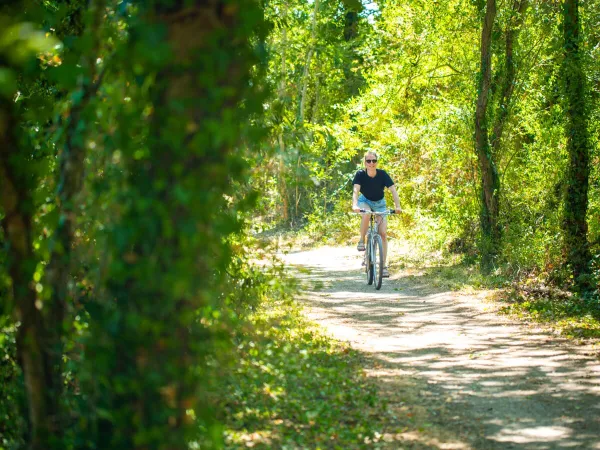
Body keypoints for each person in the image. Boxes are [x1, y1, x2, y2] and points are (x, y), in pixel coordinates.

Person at [352, 151, 401, 278]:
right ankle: (362, 240)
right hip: (365, 201)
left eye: (374, 161)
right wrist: (355, 204)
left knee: (383, 234)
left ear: (377, 162)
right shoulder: (360, 174)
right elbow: (356, 190)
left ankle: (384, 266)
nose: (371, 163)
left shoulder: (382, 174)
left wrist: (398, 206)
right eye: (368, 161)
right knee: (367, 214)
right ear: (365, 163)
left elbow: (393, 190)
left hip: (380, 204)